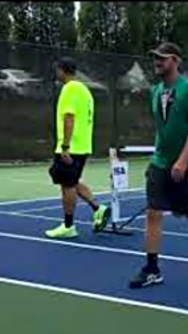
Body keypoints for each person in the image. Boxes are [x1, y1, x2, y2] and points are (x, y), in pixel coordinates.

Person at [129, 42, 188, 289]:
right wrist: (156, 159)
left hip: (187, 164)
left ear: (175, 61)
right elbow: (162, 129)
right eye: (155, 58)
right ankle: (152, 268)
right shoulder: (155, 91)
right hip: (161, 163)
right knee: (153, 212)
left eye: (162, 58)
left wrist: (183, 160)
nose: (157, 62)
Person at [45, 57, 110, 239]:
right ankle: (98, 208)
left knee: (67, 185)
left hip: (71, 146)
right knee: (71, 181)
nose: (56, 73)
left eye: (57, 69)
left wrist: (65, 146)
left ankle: (68, 226)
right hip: (82, 145)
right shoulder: (84, 90)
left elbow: (69, 118)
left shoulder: (70, 89)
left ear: (62, 70)